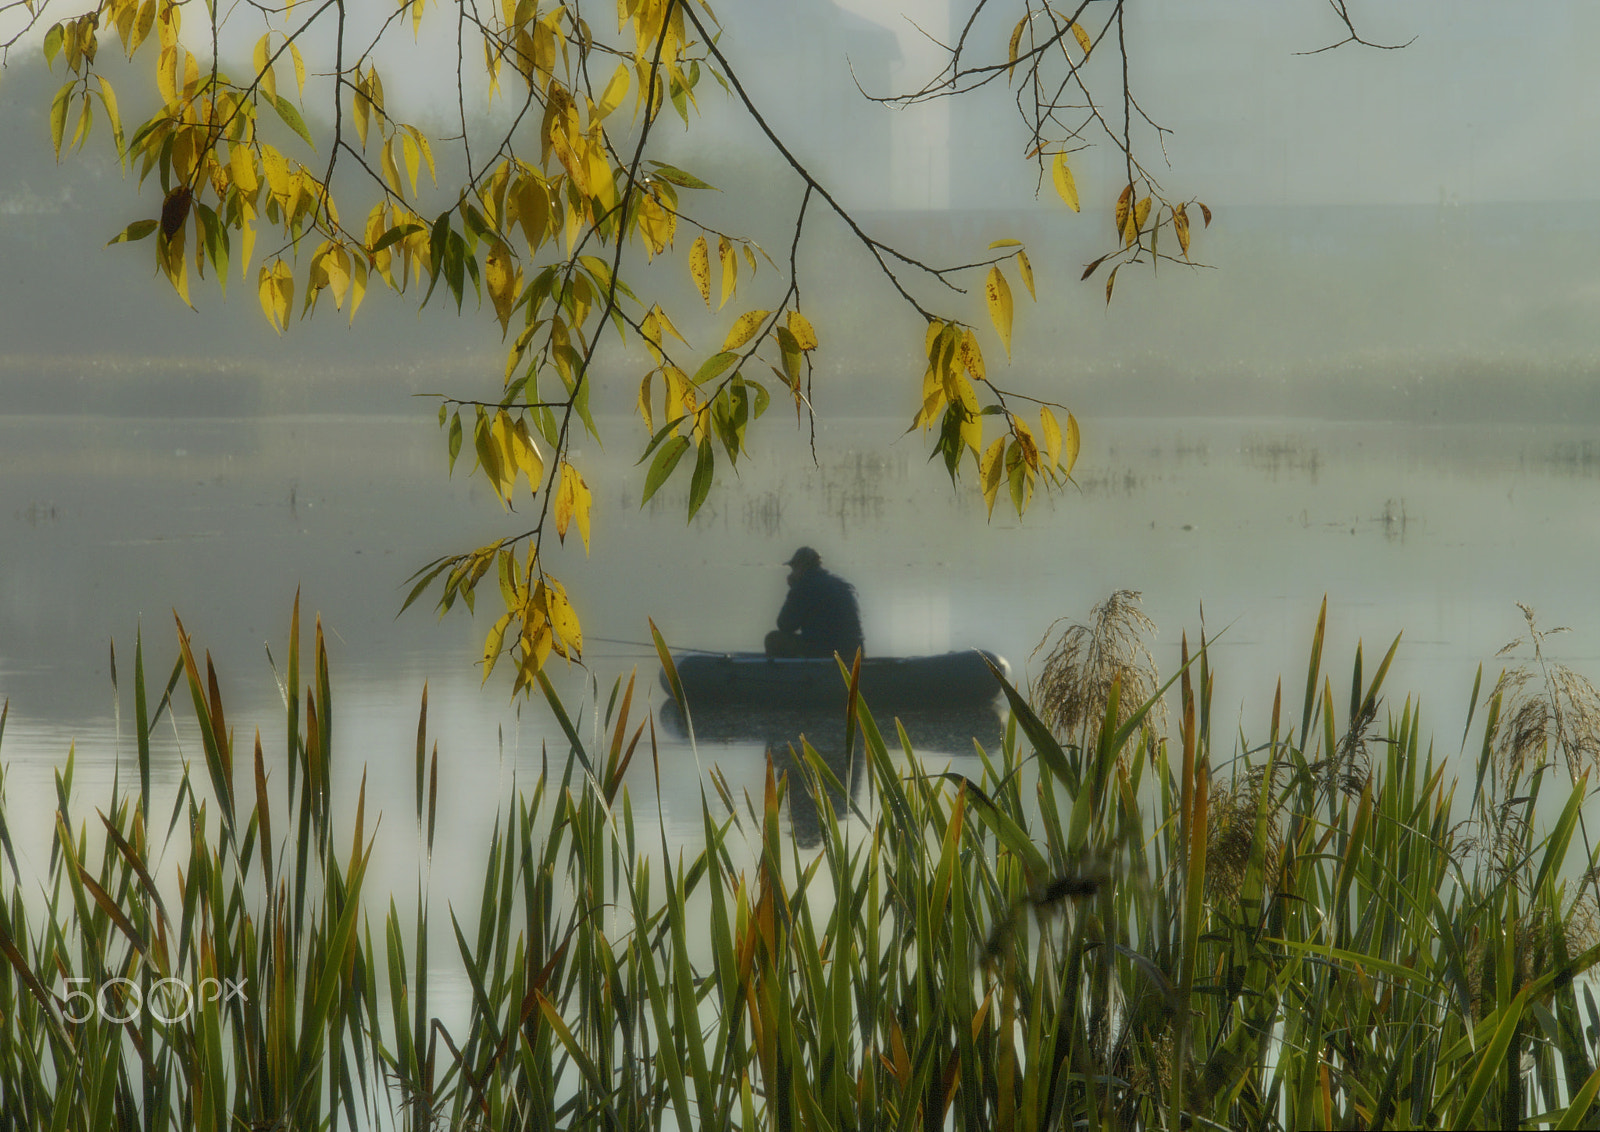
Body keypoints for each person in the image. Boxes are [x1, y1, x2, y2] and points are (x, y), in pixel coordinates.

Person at [764, 547, 865, 659]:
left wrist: (793, 588)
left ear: (801, 567)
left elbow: (785, 624)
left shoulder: (803, 586)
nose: (792, 572)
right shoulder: (840, 584)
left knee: (773, 639)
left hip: (827, 652)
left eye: (794, 568)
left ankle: (785, 675)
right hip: (854, 651)